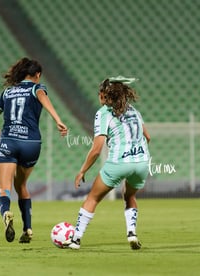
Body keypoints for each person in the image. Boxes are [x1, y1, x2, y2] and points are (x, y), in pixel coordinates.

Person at [63, 76, 151, 250]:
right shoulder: (133, 110)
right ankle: (132, 233)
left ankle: (76, 239)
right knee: (130, 195)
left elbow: (96, 149)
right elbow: (147, 137)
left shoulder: (104, 113)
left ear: (104, 95)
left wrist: (82, 171)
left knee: (93, 198)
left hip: (119, 162)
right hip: (141, 162)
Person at [0, 57, 68, 243]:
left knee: (4, 189)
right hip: (31, 144)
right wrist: (58, 120)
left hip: (9, 141)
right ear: (37, 75)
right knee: (21, 186)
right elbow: (42, 96)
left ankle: (6, 212)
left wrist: (0, 136)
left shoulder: (7, 92)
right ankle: (28, 229)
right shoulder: (36, 88)